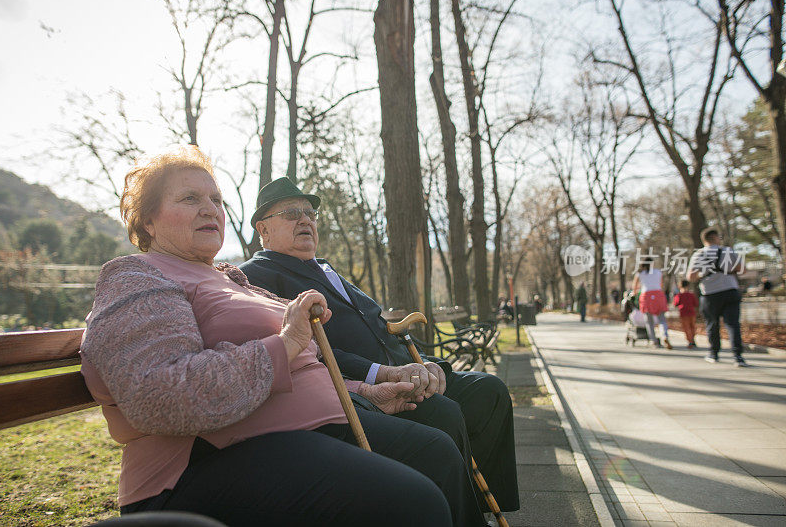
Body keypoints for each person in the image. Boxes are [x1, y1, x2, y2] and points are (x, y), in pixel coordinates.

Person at [79, 146, 486, 527]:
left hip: (299, 434)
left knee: (437, 454)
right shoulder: (137, 276)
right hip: (200, 467)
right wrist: (286, 342)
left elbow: (295, 369)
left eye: (217, 200)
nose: (210, 209)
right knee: (414, 502)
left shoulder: (230, 280)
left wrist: (366, 390)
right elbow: (158, 396)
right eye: (190, 199)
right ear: (147, 220)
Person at [239, 177, 520, 515]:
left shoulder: (326, 269)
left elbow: (381, 327)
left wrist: (428, 364)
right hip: (366, 389)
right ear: (263, 230)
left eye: (311, 213)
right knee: (444, 413)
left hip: (406, 365)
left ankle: (475, 505)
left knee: (489, 391)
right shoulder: (258, 276)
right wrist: (379, 374)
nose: (305, 220)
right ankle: (462, 517)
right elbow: (309, 349)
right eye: (291, 213)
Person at [687, 227, 748, 366]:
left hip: (710, 294)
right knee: (733, 324)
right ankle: (738, 356)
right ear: (715, 238)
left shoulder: (699, 254)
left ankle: (714, 354)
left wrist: (703, 274)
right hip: (730, 291)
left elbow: (691, 276)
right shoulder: (727, 251)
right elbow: (743, 269)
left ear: (704, 240)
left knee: (712, 325)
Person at [632, 256, 672, 349]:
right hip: (658, 295)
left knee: (649, 321)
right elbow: (660, 285)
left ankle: (653, 341)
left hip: (646, 296)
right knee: (662, 319)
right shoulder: (658, 272)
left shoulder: (640, 274)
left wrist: (635, 294)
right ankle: (664, 336)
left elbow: (635, 287)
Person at [673, 280, 698, 349]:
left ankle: (690, 341)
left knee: (686, 327)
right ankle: (693, 340)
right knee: (692, 326)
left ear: (679, 286)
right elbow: (696, 304)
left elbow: (675, 303)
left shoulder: (679, 295)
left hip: (683, 313)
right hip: (692, 312)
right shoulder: (691, 294)